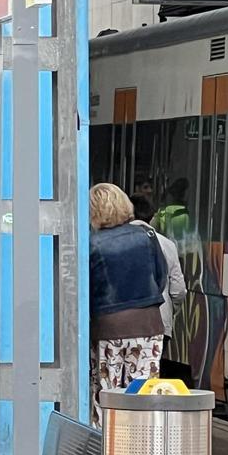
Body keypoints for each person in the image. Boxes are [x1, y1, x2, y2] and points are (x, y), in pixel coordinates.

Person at [89, 183, 167, 428]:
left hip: (108, 327)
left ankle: (107, 454)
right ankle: (140, 452)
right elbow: (161, 277)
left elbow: (87, 291)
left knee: (107, 395)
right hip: (148, 326)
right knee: (143, 396)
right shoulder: (148, 236)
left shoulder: (92, 244)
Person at [131, 193, 186, 369]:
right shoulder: (168, 245)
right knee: (149, 378)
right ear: (153, 217)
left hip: (125, 324)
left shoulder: (115, 241)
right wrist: (168, 310)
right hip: (160, 324)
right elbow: (179, 291)